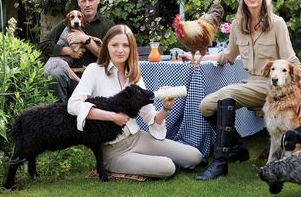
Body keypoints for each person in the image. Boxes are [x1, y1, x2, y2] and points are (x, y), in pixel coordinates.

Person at [184, 0, 301, 180]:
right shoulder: (237, 24)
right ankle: (236, 147)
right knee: (206, 106)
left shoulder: (276, 23)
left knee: (227, 93)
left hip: (273, 87)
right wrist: (195, 58)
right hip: (251, 84)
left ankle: (220, 162)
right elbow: (228, 56)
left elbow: (293, 61)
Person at [68, 24, 202, 177]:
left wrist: (165, 108)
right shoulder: (94, 70)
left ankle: (151, 161)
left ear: (131, 48)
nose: (120, 50)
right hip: (114, 150)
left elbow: (150, 117)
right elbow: (74, 105)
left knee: (195, 157)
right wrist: (113, 117)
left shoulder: (134, 75)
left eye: (125, 45)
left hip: (138, 138)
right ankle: (120, 165)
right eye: (115, 45)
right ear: (106, 47)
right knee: (167, 167)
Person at [38, 0, 114, 102]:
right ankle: (59, 114)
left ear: (98, 0)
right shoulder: (68, 22)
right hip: (68, 77)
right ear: (78, 2)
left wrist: (86, 40)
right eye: (84, 1)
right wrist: (67, 51)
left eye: (91, 0)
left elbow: (108, 56)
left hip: (95, 78)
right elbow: (44, 44)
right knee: (55, 74)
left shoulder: (107, 26)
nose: (87, 4)